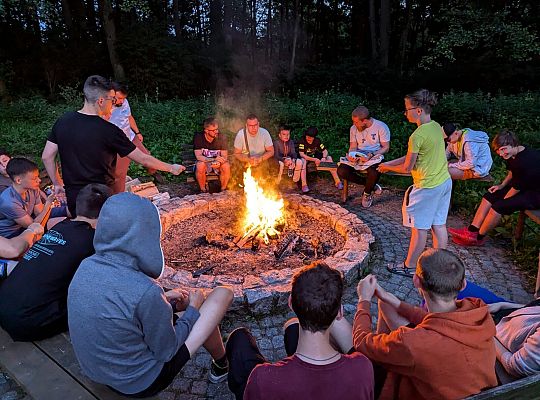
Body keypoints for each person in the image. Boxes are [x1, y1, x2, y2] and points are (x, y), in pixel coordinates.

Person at [67, 192, 233, 397]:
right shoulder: (146, 291)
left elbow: (121, 310)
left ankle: (221, 362)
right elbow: (166, 350)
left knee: (186, 313)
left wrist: (165, 302)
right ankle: (221, 364)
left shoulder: (86, 265)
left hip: (97, 371)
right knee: (222, 294)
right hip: (138, 382)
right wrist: (193, 309)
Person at [353, 248, 497, 399]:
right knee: (386, 304)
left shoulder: (413, 343)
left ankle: (378, 358)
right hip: (471, 389)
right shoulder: (478, 312)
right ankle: (381, 353)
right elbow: (441, 323)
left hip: (411, 389)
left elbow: (361, 341)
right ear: (463, 285)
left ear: (416, 281)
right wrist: (395, 302)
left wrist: (364, 299)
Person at [226, 261, 374, 400]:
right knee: (293, 331)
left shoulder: (262, 378)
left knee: (239, 339)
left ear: (291, 303)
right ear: (340, 313)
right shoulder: (363, 368)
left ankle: (219, 366)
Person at [41, 75, 185, 217]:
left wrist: (58, 183)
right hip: (100, 201)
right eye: (112, 100)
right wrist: (171, 167)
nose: (114, 103)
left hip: (75, 200)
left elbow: (47, 156)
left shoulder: (63, 121)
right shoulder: (109, 130)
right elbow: (143, 159)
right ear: (101, 101)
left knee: (80, 233)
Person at [0, 184, 111, 341]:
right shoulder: (91, 241)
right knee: (97, 298)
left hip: (5, 303)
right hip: (28, 321)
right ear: (106, 214)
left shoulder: (60, 227)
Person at [378, 89, 452, 276]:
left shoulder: (417, 135)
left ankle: (409, 266)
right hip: (444, 183)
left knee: (419, 230)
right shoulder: (436, 127)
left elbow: (407, 168)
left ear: (418, 110)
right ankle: (440, 265)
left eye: (407, 109)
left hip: (427, 187)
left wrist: (387, 169)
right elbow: (413, 156)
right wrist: (388, 162)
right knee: (439, 225)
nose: (405, 113)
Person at [449, 130, 540, 246]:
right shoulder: (513, 154)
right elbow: (512, 172)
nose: (501, 154)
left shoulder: (526, 161)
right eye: (499, 151)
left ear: (513, 144)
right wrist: (501, 185)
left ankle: (478, 238)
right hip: (525, 187)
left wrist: (503, 200)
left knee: (499, 206)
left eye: (504, 149)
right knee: (489, 196)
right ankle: (472, 231)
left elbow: (516, 187)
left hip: (535, 194)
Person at [109, 82, 164, 193]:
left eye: (124, 98)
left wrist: (137, 132)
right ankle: (117, 197)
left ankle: (153, 172)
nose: (122, 101)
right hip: (120, 143)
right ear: (111, 94)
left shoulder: (124, 103)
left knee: (146, 156)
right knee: (120, 174)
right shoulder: (105, 107)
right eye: (119, 98)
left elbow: (129, 117)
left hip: (131, 136)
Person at [337, 106, 390, 207]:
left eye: (356, 122)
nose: (354, 124)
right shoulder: (353, 129)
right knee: (342, 170)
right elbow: (353, 147)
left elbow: (386, 148)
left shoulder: (381, 127)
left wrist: (372, 155)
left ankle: (367, 193)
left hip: (374, 154)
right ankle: (370, 185)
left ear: (365, 120)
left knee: (374, 170)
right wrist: (352, 155)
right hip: (359, 155)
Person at [0, 157, 55, 238]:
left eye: (38, 176)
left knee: (60, 221)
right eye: (34, 178)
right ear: (18, 180)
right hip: (10, 233)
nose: (39, 180)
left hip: (29, 224)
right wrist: (48, 203)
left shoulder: (32, 188)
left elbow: (40, 214)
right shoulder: (9, 202)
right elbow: (34, 227)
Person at [233, 114, 277, 183]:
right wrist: (248, 160)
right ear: (246, 125)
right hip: (246, 160)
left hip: (262, 160)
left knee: (273, 163)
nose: (254, 128)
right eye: (251, 126)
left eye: (255, 125)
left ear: (258, 124)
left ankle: (269, 186)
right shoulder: (241, 134)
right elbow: (237, 153)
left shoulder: (264, 133)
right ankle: (241, 186)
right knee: (236, 165)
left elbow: (271, 151)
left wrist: (260, 159)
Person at [193, 117, 230, 192]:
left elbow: (224, 156)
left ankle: (223, 189)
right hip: (205, 162)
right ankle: (203, 190)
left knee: (226, 165)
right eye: (213, 130)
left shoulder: (221, 137)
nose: (216, 132)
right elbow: (199, 156)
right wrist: (213, 160)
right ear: (206, 131)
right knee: (200, 165)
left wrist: (219, 162)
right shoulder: (199, 137)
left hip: (218, 163)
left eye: (217, 129)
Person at [273, 125, 308, 192]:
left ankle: (295, 181)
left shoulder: (291, 142)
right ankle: (278, 182)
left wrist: (293, 160)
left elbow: (293, 153)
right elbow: (276, 155)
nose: (286, 136)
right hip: (280, 160)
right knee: (281, 164)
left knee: (299, 162)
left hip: (289, 160)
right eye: (284, 134)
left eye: (288, 134)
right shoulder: (276, 143)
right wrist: (284, 160)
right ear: (279, 135)